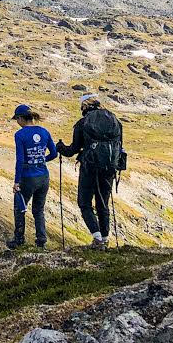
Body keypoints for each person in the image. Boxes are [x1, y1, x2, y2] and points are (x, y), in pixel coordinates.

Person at [56, 93, 122, 249]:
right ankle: (105, 239)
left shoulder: (83, 123)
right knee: (103, 203)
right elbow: (120, 146)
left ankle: (97, 237)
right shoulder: (115, 121)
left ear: (84, 107)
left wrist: (60, 147)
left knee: (84, 202)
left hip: (90, 166)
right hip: (110, 167)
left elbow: (72, 150)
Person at [8, 104, 57, 249]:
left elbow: (20, 160)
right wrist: (41, 160)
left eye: (17, 119)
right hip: (43, 176)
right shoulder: (44, 131)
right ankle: (41, 240)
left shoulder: (20, 135)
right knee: (38, 209)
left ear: (21, 118)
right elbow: (54, 154)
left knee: (20, 208)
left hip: (28, 177)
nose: (17, 122)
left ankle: (19, 240)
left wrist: (17, 181)